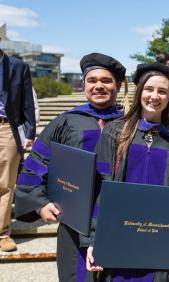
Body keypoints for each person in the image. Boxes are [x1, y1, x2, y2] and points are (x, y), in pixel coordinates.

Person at [86, 62, 169, 281]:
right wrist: (95, 241)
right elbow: (100, 189)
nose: (154, 96)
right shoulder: (116, 132)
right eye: (149, 89)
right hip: (118, 237)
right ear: (140, 92)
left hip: (162, 241)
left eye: (162, 91)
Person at [15, 53, 125, 281]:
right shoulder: (65, 122)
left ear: (118, 86)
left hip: (120, 217)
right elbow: (36, 164)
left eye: (106, 80)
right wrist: (40, 203)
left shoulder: (131, 123)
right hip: (74, 219)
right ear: (83, 85)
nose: (99, 86)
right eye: (92, 80)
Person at [0, 49, 35, 252]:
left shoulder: (18, 66)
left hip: (6, 128)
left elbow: (27, 101)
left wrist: (30, 131)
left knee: (5, 183)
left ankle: (2, 233)